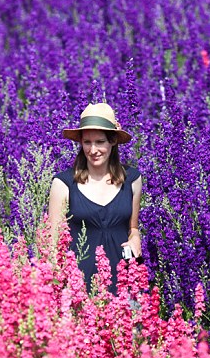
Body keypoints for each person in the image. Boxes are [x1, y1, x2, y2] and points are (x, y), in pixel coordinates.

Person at [48, 102, 142, 294]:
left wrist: (135, 238)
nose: (92, 150)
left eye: (100, 142)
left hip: (125, 283)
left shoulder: (132, 179)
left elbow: (132, 227)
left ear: (113, 141)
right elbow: (52, 242)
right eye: (87, 142)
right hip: (80, 287)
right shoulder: (63, 183)